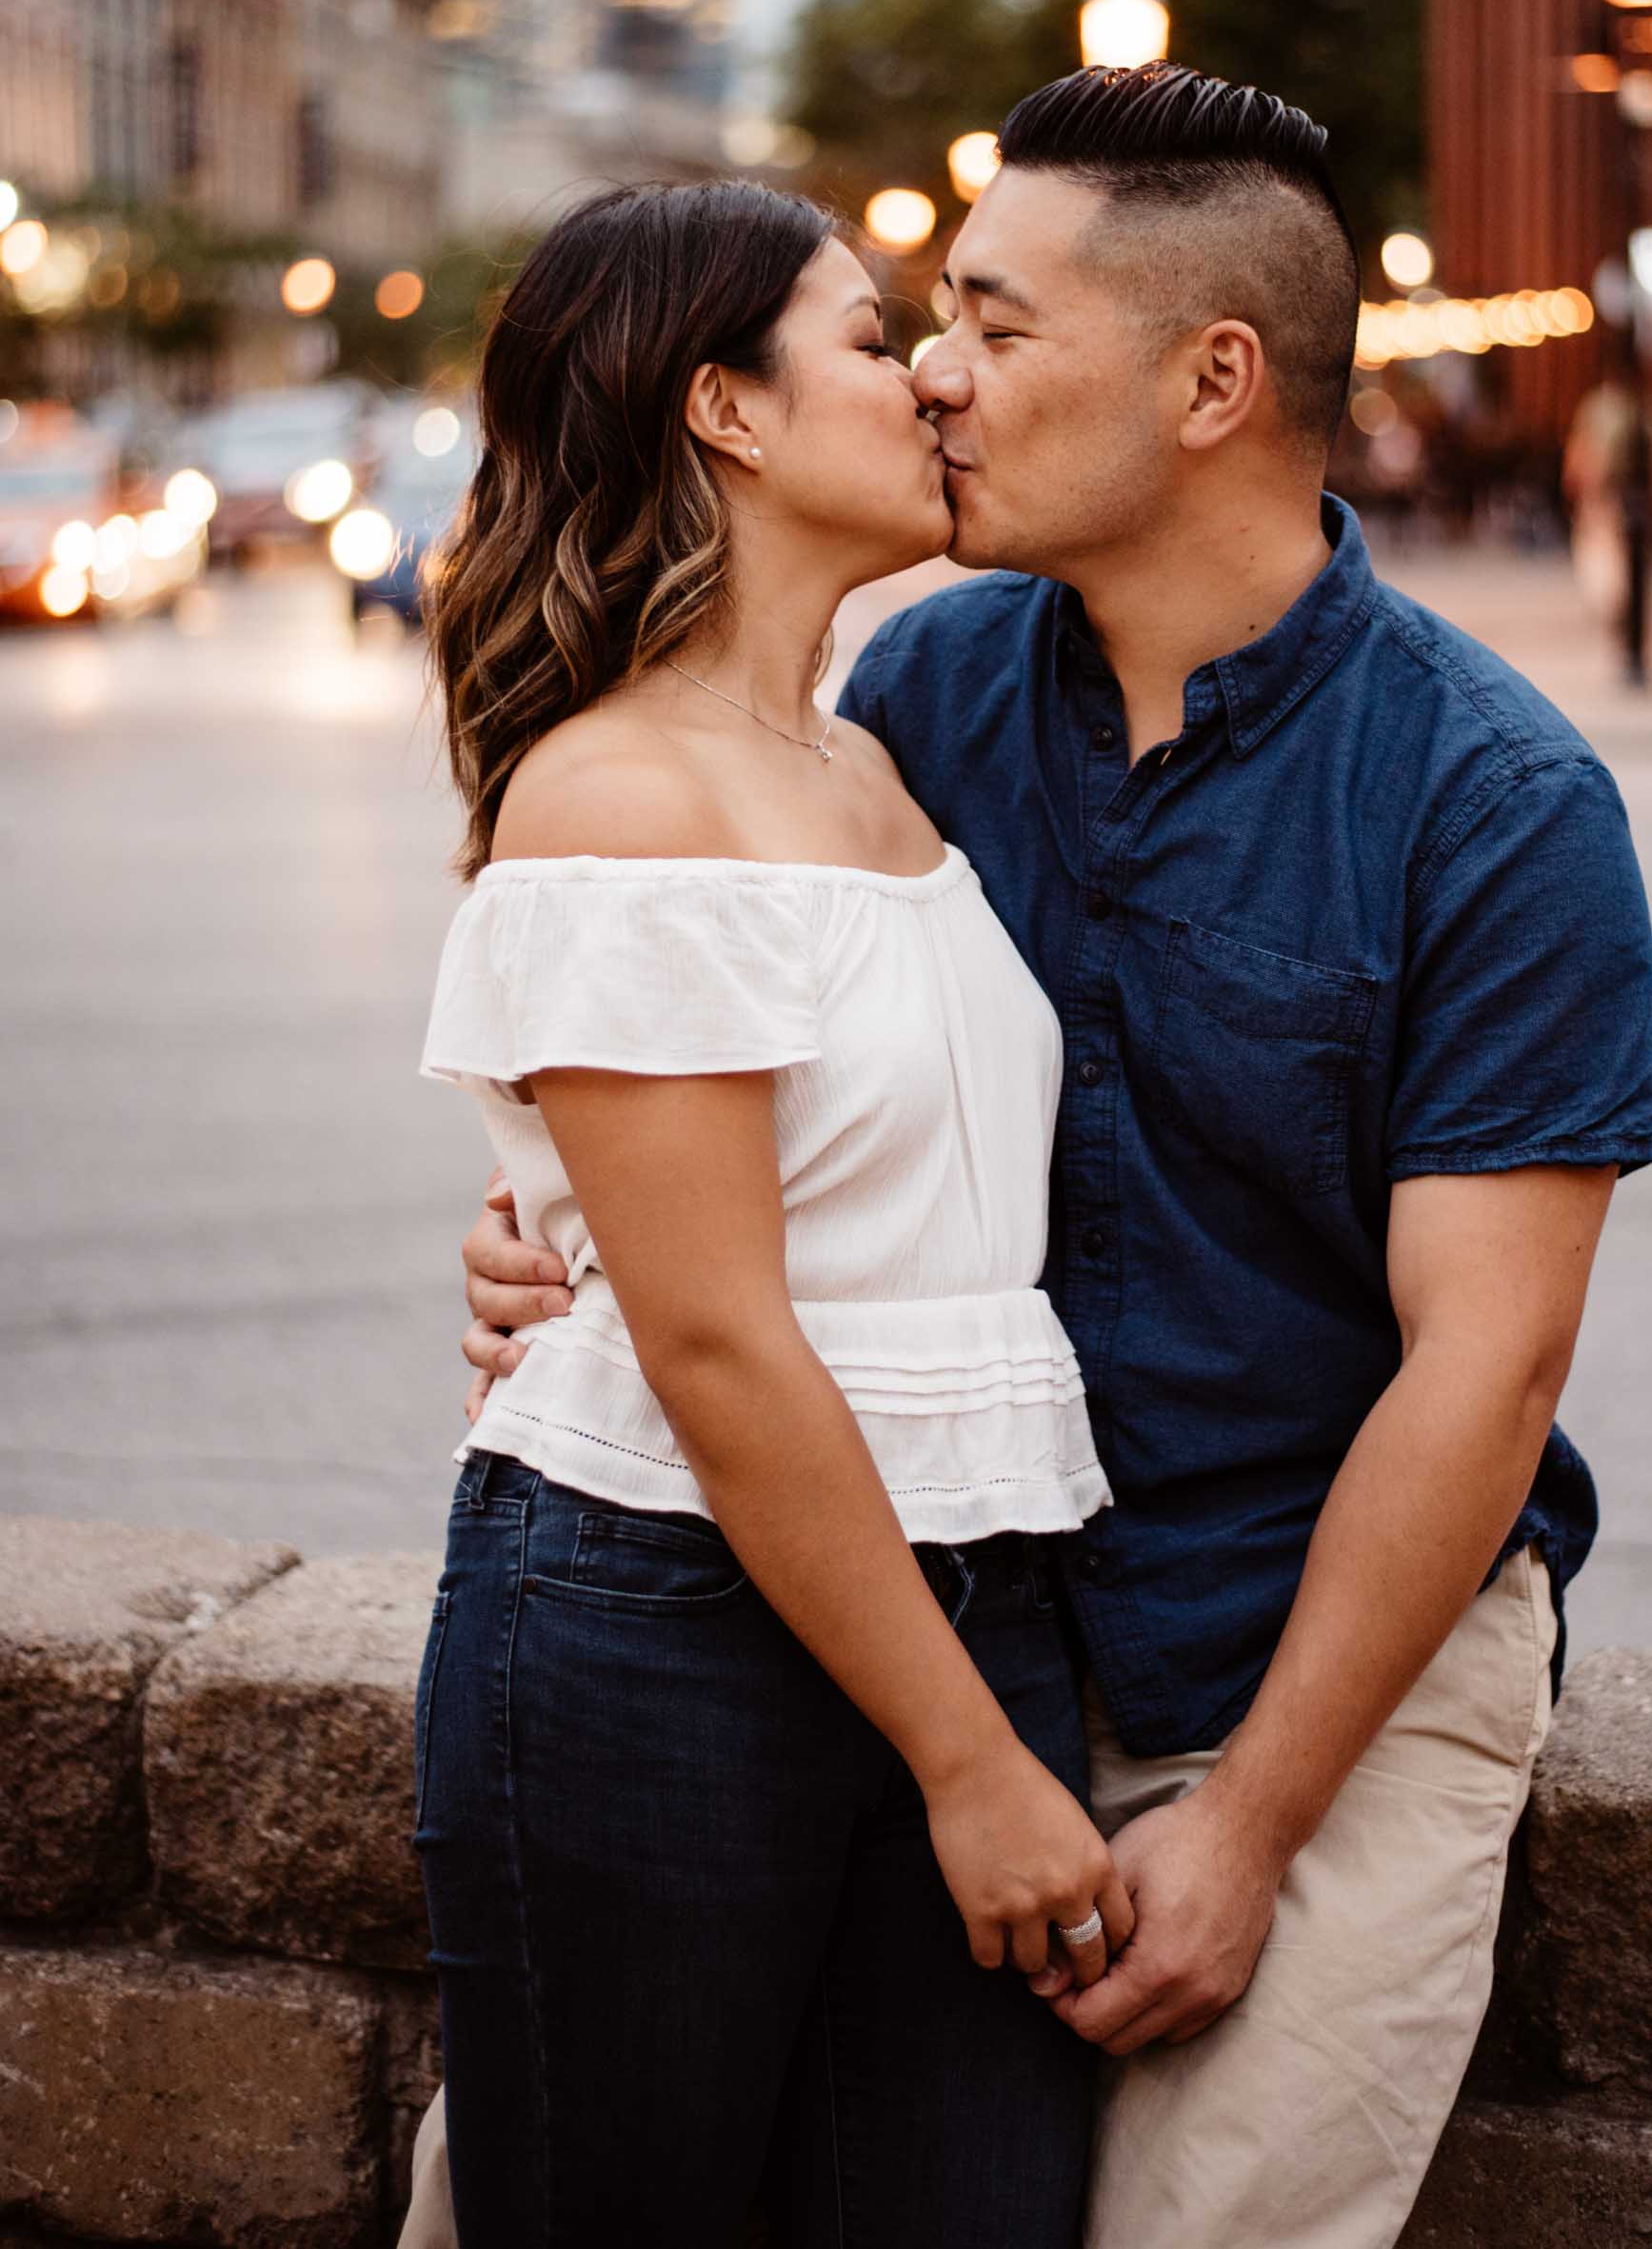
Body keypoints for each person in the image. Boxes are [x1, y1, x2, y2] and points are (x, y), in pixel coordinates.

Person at [434, 63, 1652, 2249]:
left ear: (1211, 379)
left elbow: (1480, 1373)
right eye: (922, 324)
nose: (935, 371)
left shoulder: (1493, 802)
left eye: (997, 325)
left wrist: (1256, 1818)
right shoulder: (926, 687)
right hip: (937, 1616)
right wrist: (575, 1247)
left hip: (1310, 1651)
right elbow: (741, 1072)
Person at [408, 179, 1134, 2249]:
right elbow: (717, 1339)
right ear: (722, 409)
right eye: (861, 329)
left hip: (957, 1587)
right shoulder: (622, 790)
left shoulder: (867, 768)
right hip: (660, 1627)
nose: (922, 371)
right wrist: (977, 1763)